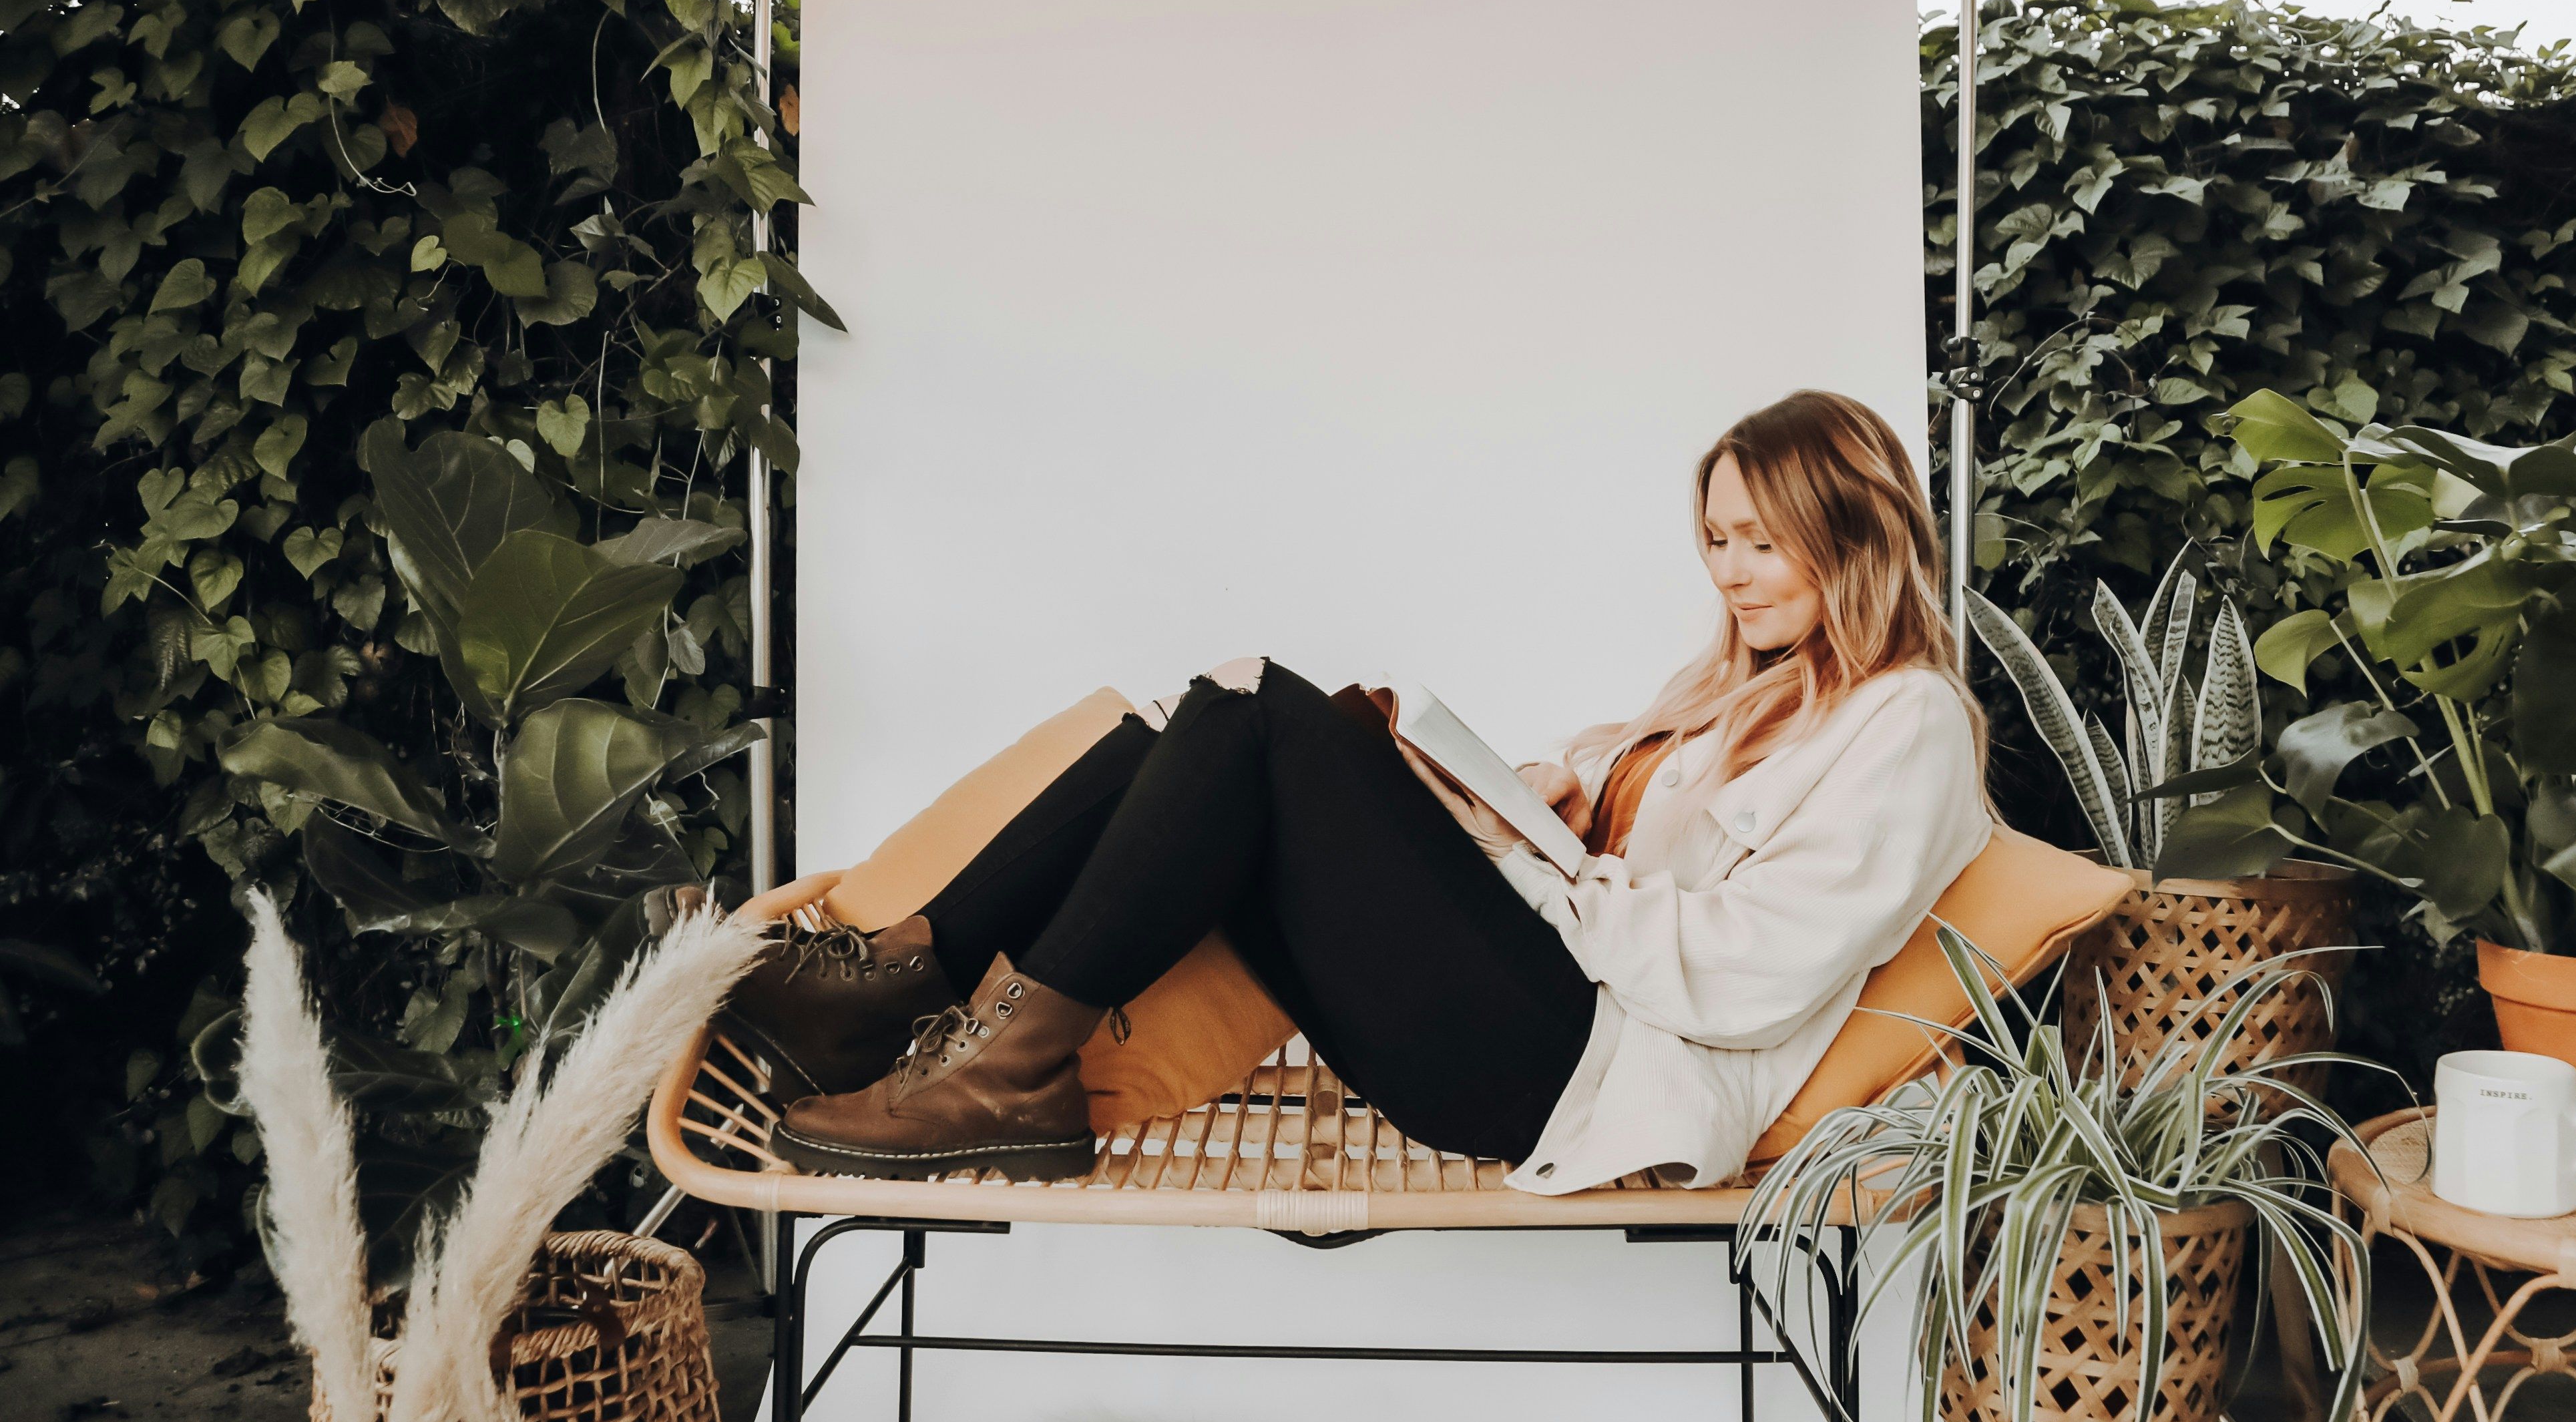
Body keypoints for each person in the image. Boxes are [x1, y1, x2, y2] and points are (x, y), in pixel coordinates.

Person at [732, 389, 1994, 1196]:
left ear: (1857, 528)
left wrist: (1533, 866)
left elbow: (1743, 974)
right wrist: (1533, 808)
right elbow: (1624, 871)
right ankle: (905, 983)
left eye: (1761, 541)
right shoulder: (1729, 690)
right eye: (1715, 539)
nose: (1729, 571)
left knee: (1259, 710)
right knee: (1209, 719)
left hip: (1577, 1071)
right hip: (1525, 1015)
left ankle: (979, 1054)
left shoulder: (1906, 724)